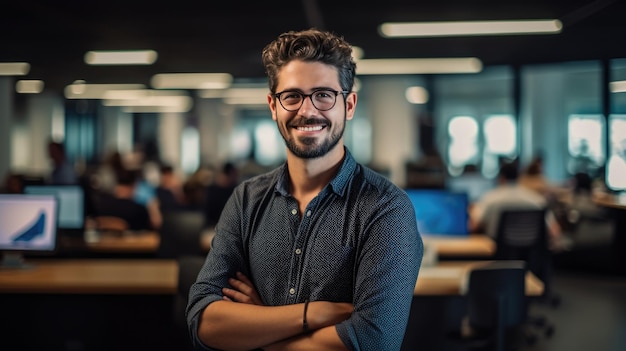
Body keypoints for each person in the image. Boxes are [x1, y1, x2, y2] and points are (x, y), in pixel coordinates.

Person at [186, 28, 423, 351]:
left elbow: (374, 341)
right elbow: (204, 322)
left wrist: (262, 331)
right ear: (273, 105)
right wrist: (315, 314)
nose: (307, 110)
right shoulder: (246, 200)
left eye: (324, 94)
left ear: (349, 105)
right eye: (292, 96)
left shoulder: (385, 207)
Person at [469, 161, 565, 250]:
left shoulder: (489, 199)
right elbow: (554, 231)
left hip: (498, 258)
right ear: (519, 177)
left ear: (501, 178)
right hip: (531, 260)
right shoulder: (536, 200)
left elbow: (473, 226)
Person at [203, 161, 240, 228]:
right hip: (216, 228)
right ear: (232, 173)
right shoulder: (235, 191)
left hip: (215, 227)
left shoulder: (212, 189)